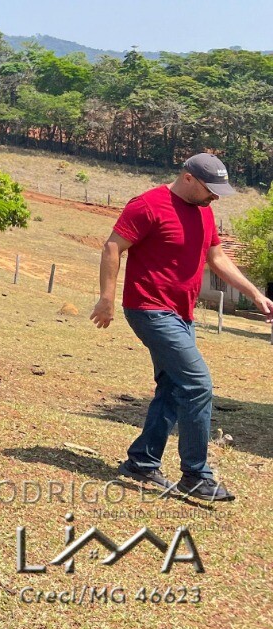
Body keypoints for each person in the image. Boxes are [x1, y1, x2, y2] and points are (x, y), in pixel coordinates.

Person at [91, 153, 273, 501]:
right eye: (210, 188)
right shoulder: (147, 205)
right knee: (198, 385)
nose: (215, 196)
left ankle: (142, 461)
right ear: (187, 177)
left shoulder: (204, 210)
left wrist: (255, 294)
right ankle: (195, 474)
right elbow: (113, 246)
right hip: (149, 309)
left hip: (182, 313)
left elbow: (216, 257)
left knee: (173, 387)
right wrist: (106, 298)